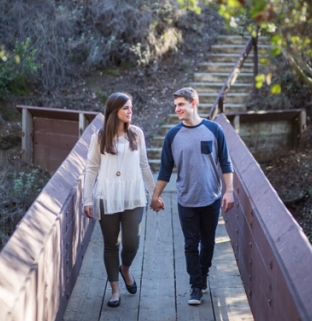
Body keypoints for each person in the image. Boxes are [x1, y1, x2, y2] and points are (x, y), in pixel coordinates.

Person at [150, 87, 235, 306]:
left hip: (211, 198)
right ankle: (195, 286)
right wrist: (155, 196)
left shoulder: (214, 130)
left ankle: (203, 275)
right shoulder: (172, 136)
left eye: (181, 104)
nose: (177, 109)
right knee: (190, 244)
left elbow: (225, 163)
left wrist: (229, 191)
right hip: (186, 199)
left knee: (208, 243)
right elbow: (165, 171)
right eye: (176, 105)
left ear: (194, 103)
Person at [83, 92, 163, 308]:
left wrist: (154, 194)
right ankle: (115, 289)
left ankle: (125, 268)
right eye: (126, 108)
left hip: (133, 195)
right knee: (111, 245)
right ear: (114, 111)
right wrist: (86, 199)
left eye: (131, 107)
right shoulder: (99, 137)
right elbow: (91, 169)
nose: (130, 111)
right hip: (106, 196)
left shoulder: (136, 134)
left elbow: (144, 165)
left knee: (131, 243)